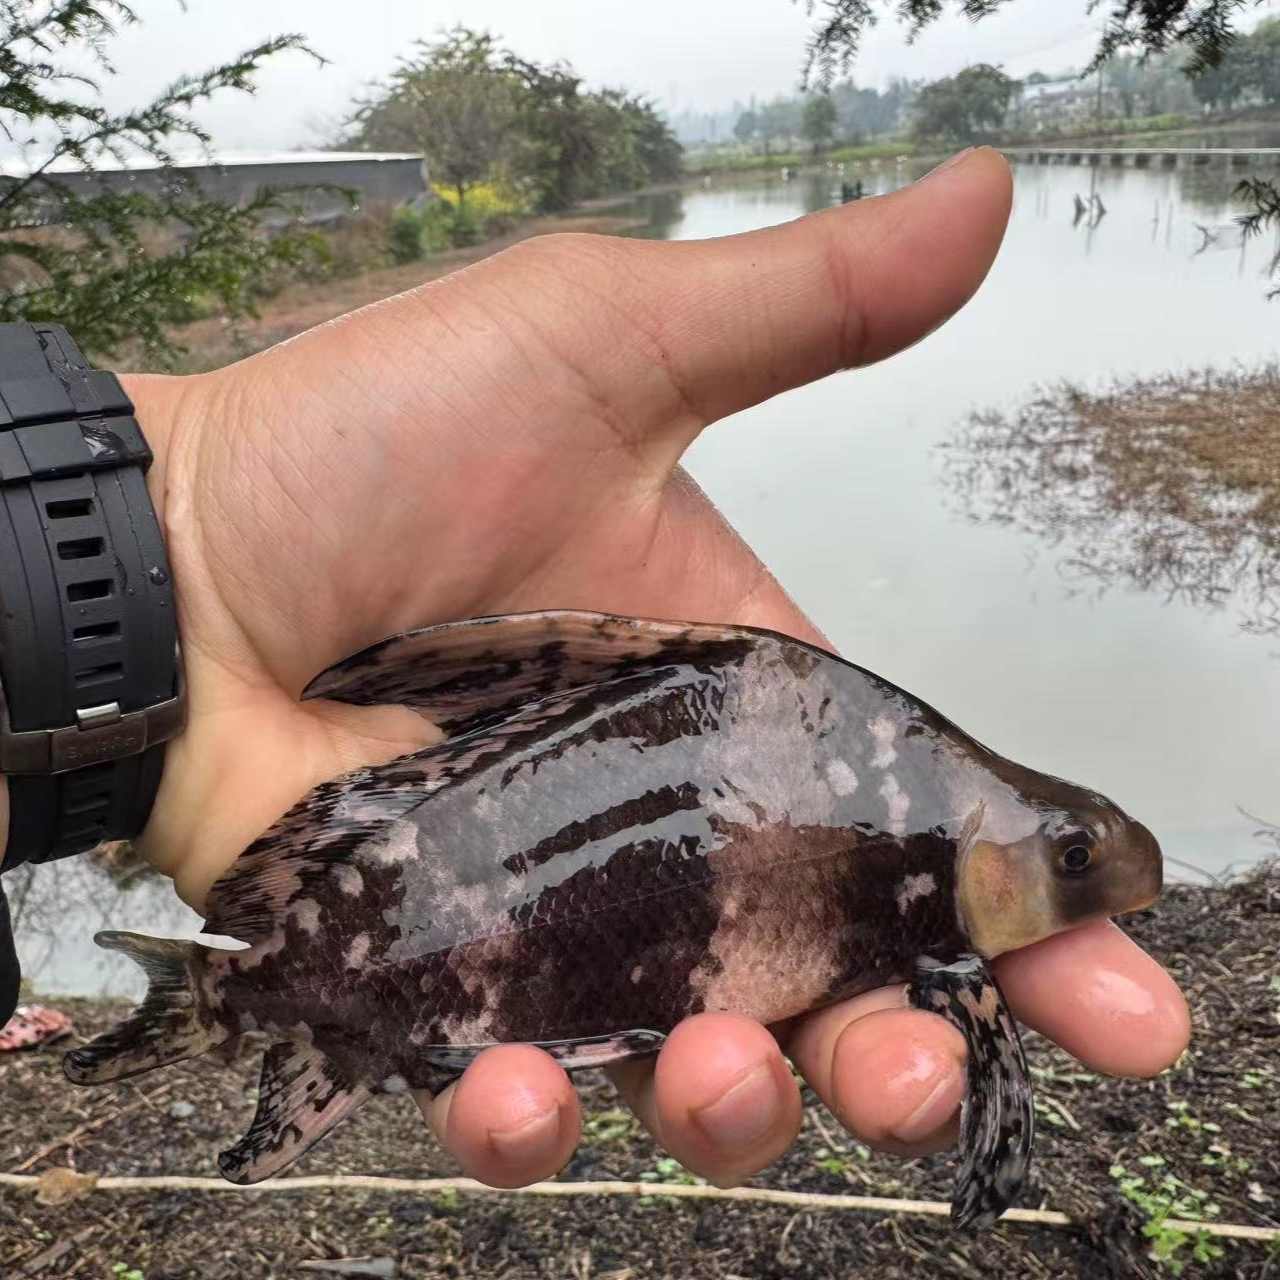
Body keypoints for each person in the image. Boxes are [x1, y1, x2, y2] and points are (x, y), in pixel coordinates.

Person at [0, 149, 1189, 1190]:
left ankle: (260, 996)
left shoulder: (921, 810)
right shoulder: (922, 816)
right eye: (1067, 856)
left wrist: (147, 563)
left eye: (1070, 852)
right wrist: (180, 553)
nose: (1080, 866)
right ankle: (254, 996)